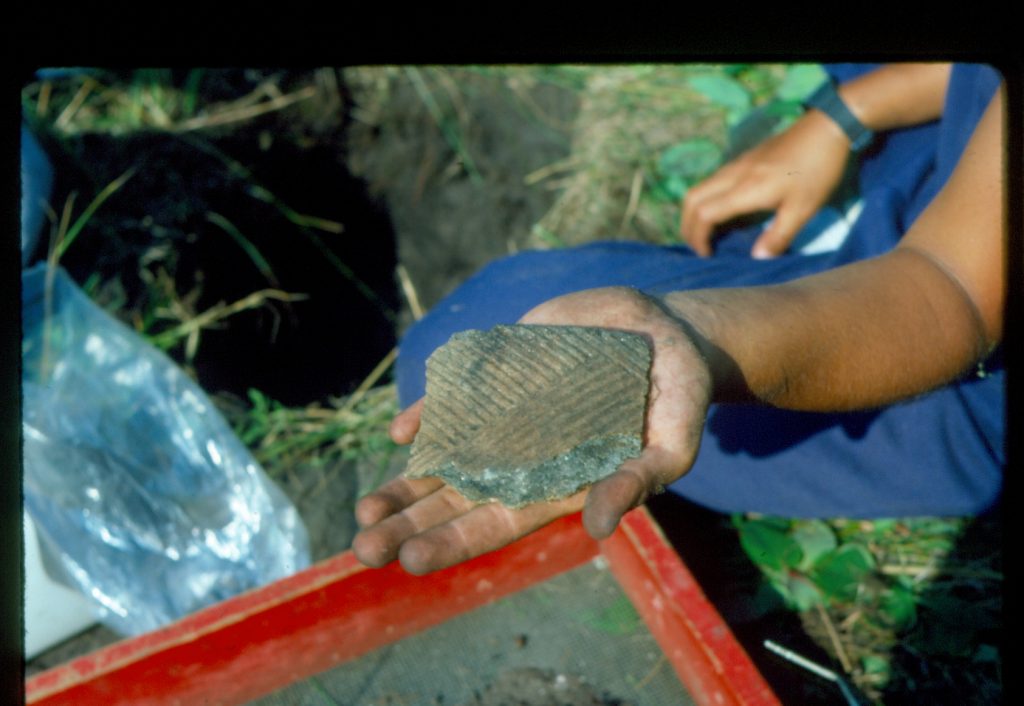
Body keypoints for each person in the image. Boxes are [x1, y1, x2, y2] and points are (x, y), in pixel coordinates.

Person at [352, 63, 1006, 575]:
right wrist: (847, 113)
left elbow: (948, 294)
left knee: (458, 334)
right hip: (962, 167)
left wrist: (701, 338)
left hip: (951, 343)